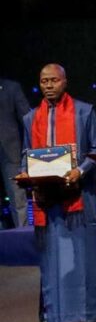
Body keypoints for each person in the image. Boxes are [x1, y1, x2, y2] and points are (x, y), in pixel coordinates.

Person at [17, 64, 96, 322]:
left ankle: (92, 320)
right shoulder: (31, 118)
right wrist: (24, 173)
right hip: (46, 199)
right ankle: (52, 320)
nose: (48, 85)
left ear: (65, 82)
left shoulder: (84, 112)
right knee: (50, 261)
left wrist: (80, 171)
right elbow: (26, 154)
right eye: (44, 81)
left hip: (78, 198)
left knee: (84, 259)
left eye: (54, 80)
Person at [0, 76, 31, 228]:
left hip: (10, 150)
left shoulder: (11, 87)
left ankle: (22, 234)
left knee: (17, 198)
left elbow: (27, 119)